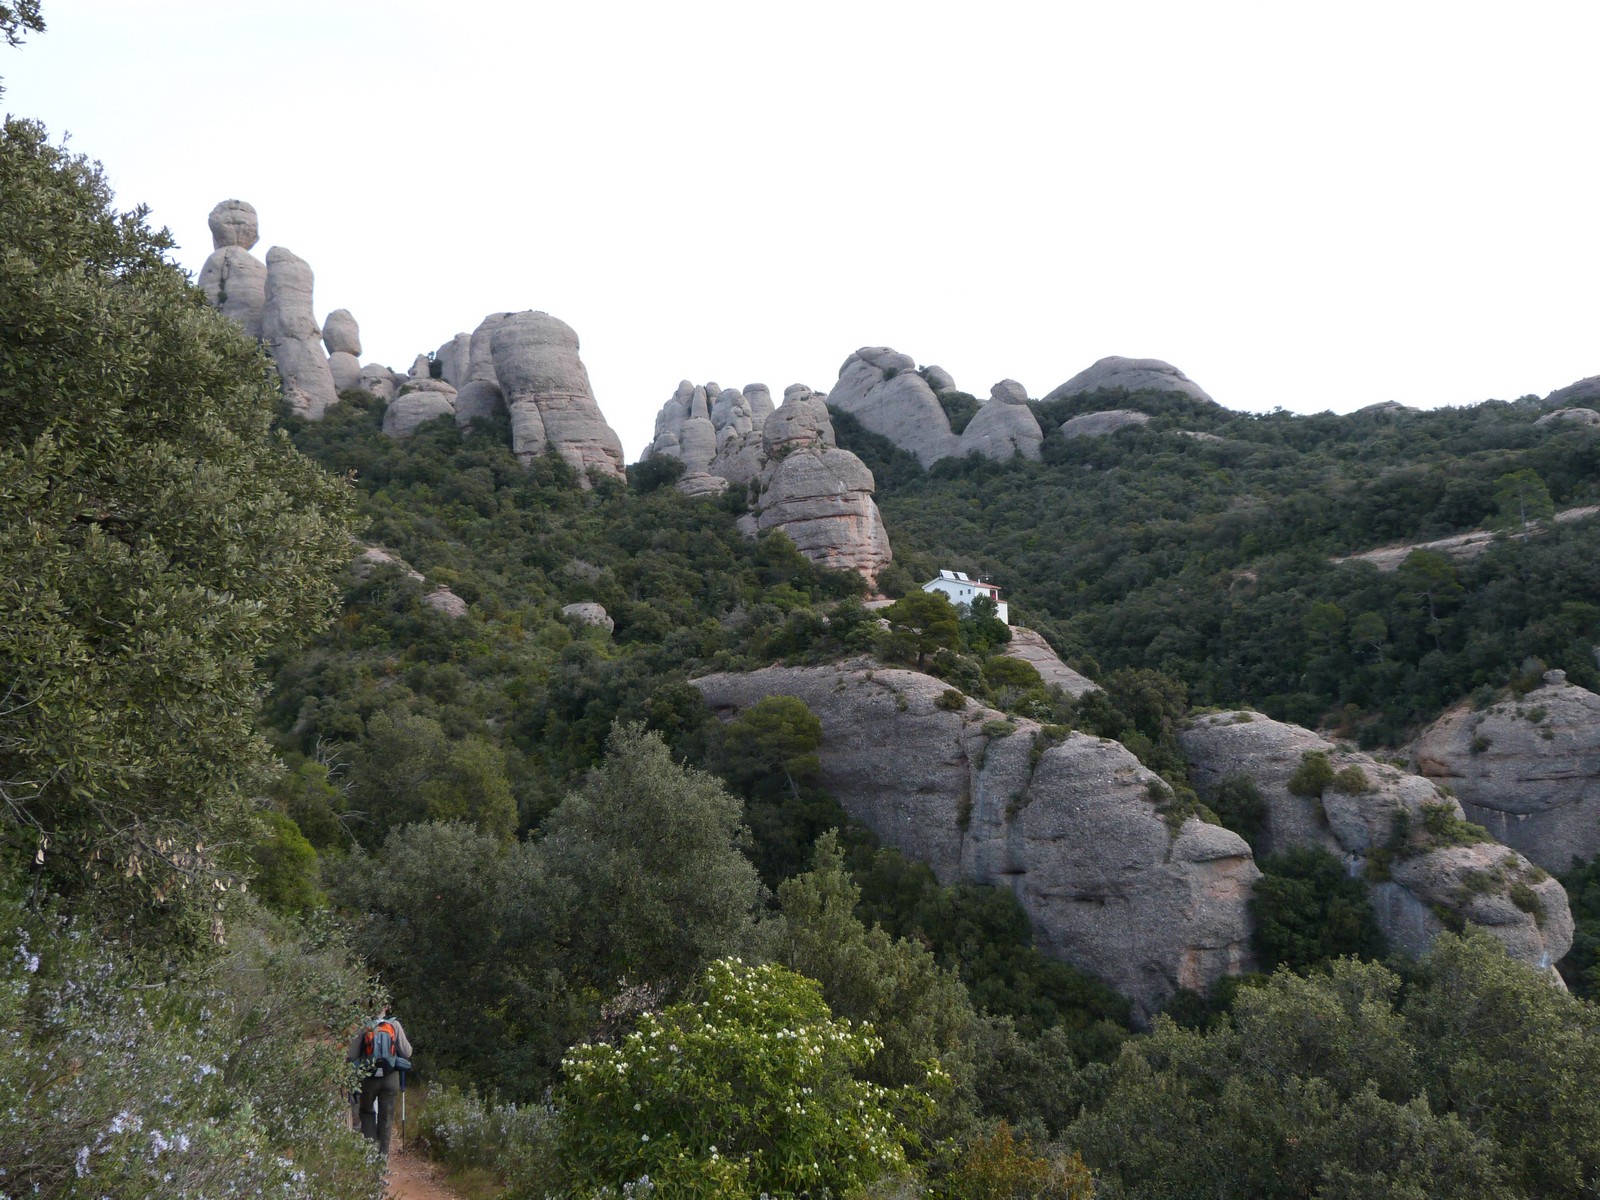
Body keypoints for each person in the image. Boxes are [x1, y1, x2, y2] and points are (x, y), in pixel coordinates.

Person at [347, 1005, 413, 1156]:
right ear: (386, 1007)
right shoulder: (394, 1025)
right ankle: (382, 1158)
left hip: (369, 1078)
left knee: (366, 1112)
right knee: (386, 1117)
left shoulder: (364, 1026)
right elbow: (407, 1053)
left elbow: (352, 1055)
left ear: (369, 1007)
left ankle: (370, 1153)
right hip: (390, 1077)